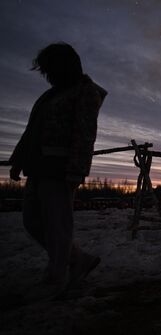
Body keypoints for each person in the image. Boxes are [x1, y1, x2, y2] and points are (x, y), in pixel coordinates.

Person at [9, 42, 107, 298]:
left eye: (50, 69)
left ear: (66, 66)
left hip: (60, 169)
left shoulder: (85, 92)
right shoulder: (49, 96)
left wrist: (76, 170)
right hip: (38, 166)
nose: (47, 76)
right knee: (32, 221)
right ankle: (78, 260)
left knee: (57, 225)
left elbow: (84, 134)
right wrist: (18, 160)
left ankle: (56, 277)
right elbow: (32, 131)